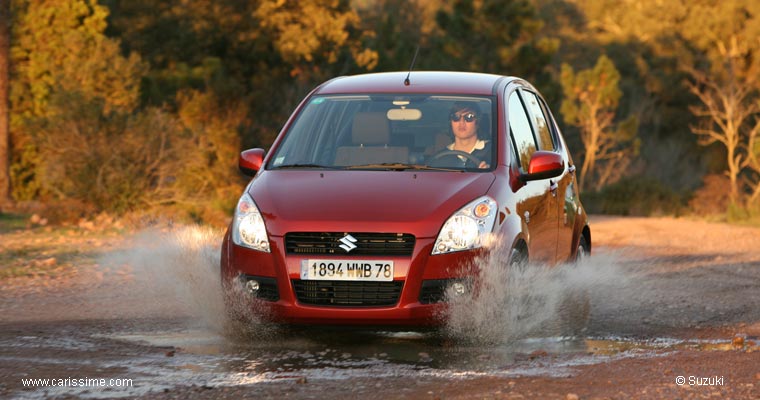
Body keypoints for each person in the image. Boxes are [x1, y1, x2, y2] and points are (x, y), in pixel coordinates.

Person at [441, 102, 491, 168]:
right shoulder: (441, 157)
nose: (461, 122)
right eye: (456, 117)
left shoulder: (493, 152)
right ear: (451, 122)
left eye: (469, 117)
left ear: (478, 122)